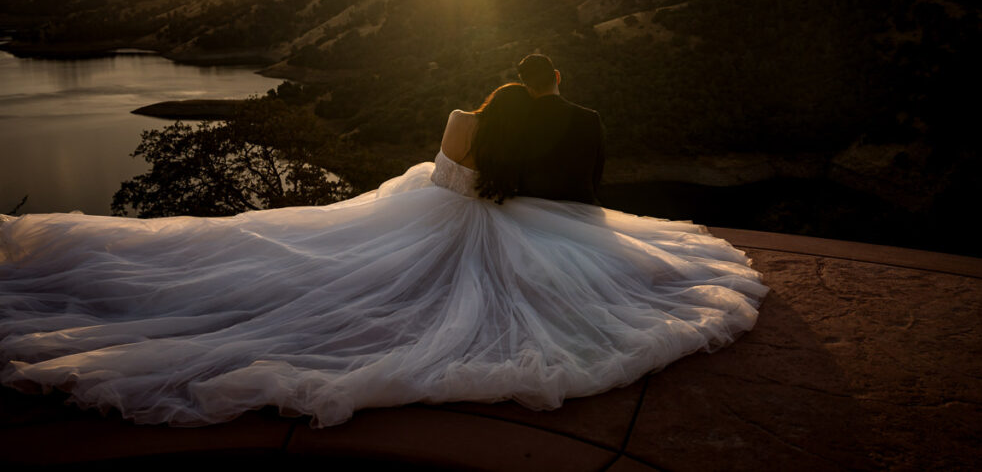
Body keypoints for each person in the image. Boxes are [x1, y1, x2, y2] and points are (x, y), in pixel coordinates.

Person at [0, 81, 767, 428]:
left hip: (448, 210)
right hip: (506, 216)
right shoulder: (547, 124)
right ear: (550, 84)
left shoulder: (472, 119)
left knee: (320, 266)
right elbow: (555, 184)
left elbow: (445, 178)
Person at [516, 54, 604, 204]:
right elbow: (597, 171)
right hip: (583, 209)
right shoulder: (590, 118)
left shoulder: (518, 122)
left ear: (527, 86)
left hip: (535, 213)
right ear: (557, 76)